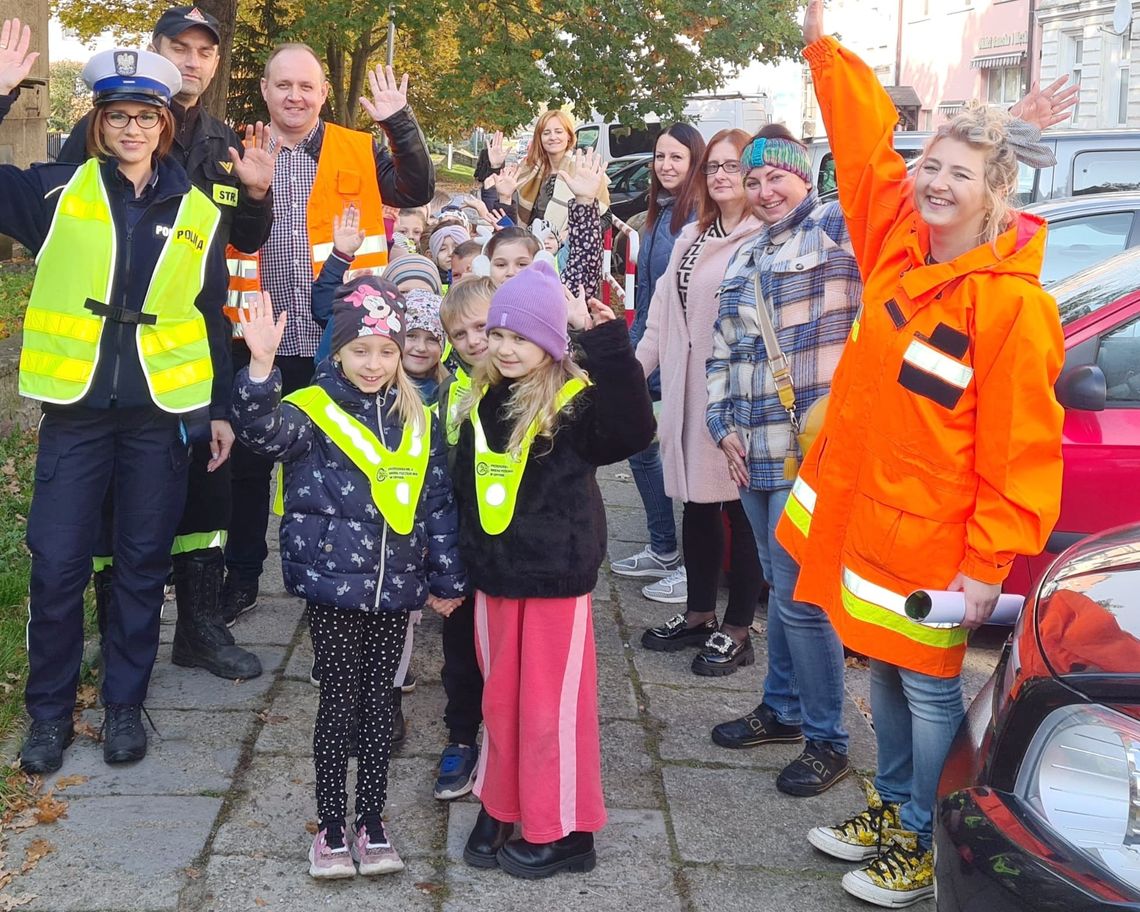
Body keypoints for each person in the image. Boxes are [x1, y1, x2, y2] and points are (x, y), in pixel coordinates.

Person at [775, 2, 1072, 904]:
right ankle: (896, 804)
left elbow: (1020, 451)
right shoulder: (898, 258)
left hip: (940, 551)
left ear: (996, 192)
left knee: (931, 692)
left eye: (960, 173)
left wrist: (987, 567)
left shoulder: (1015, 310)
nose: (935, 183)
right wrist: (823, 46)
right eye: (930, 167)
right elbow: (866, 153)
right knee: (891, 687)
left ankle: (925, 839)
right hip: (874, 534)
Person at [0, 27, 233, 773]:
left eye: (146, 116)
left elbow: (209, 316)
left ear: (165, 124)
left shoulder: (198, 212)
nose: (131, 128)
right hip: (73, 418)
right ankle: (49, 716)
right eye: (117, 116)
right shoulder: (55, 191)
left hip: (157, 422)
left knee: (140, 566)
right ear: (99, 124)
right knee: (58, 566)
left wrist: (215, 408)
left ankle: (125, 707)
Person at [57, 5, 273, 683]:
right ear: (155, 50)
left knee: (209, 486)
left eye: (204, 51)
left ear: (215, 62)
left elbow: (244, 241)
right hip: (109, 358)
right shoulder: (97, 132)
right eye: (179, 47)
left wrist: (260, 194)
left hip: (195, 346)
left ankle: (200, 631)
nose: (192, 60)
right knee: (115, 499)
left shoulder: (223, 142)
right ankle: (117, 633)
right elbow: (52, 216)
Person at [233, 282, 464, 879]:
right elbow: (263, 434)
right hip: (334, 590)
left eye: (385, 351)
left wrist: (446, 575)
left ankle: (373, 820)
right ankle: (332, 826)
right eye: (360, 350)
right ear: (337, 352)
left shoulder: (418, 415)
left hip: (398, 589)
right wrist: (260, 369)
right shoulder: (312, 410)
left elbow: (436, 500)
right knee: (338, 707)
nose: (374, 364)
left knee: (381, 708)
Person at [451, 262, 654, 878]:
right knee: (501, 704)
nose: (508, 349)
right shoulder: (480, 397)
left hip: (552, 584)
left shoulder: (575, 403)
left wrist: (608, 340)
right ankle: (503, 802)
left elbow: (634, 428)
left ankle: (565, 827)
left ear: (551, 343)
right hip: (495, 580)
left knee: (548, 710)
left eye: (524, 338)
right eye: (501, 335)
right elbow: (464, 486)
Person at [224, 45, 435, 623]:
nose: (295, 96)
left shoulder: (356, 147)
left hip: (336, 345)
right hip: (259, 336)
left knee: (337, 470)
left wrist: (399, 122)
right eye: (283, 85)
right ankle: (241, 578)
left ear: (321, 93)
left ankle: (333, 580)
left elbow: (415, 189)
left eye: (306, 86)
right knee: (249, 465)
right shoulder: (238, 151)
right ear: (264, 91)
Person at [703, 125, 861, 794]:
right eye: (754, 178)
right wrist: (721, 427)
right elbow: (722, 354)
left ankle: (828, 739)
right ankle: (783, 708)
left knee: (803, 600)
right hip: (755, 453)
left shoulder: (831, 232)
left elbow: (883, 186)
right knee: (778, 586)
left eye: (778, 177)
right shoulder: (742, 258)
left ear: (805, 177)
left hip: (813, 455)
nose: (765, 190)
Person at [636, 129, 765, 675]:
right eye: (712, 167)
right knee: (696, 501)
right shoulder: (692, 234)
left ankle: (738, 627)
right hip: (688, 391)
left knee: (741, 506)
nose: (719, 176)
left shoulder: (764, 238)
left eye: (731, 166)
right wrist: (628, 376)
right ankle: (698, 614)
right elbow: (659, 318)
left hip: (737, 395)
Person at [611, 124, 706, 604]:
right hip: (648, 351)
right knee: (642, 448)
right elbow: (646, 301)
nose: (666, 166)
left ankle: (694, 567)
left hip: (684, 362)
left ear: (696, 164)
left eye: (677, 158)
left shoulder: (695, 224)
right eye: (660, 157)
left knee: (685, 461)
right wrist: (632, 354)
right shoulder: (656, 220)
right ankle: (664, 547)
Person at [432, 276, 493, 801]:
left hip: (514, 552)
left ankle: (504, 737)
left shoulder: (528, 384)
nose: (473, 341)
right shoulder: (447, 396)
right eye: (460, 334)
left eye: (483, 327)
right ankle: (460, 735)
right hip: (461, 547)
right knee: (459, 650)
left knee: (505, 653)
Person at [512, 110, 610, 231]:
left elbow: (606, 218)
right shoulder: (528, 168)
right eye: (546, 133)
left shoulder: (585, 169)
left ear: (568, 136)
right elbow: (510, 211)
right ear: (539, 138)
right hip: (533, 243)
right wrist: (495, 167)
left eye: (558, 131)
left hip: (572, 245)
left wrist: (565, 237)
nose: (553, 137)